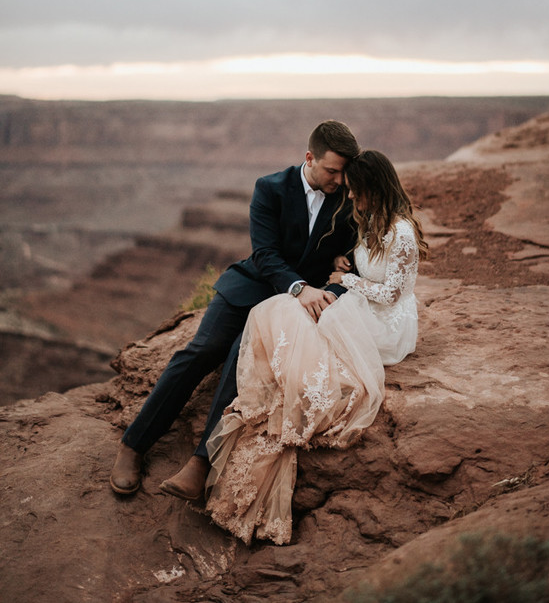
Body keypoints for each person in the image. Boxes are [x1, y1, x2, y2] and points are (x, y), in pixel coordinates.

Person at [160, 150, 428, 545]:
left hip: (386, 323)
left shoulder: (402, 232)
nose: (350, 196)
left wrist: (345, 280)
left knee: (299, 323)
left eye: (356, 190)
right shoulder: (370, 218)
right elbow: (365, 261)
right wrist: (345, 261)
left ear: (374, 188)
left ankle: (240, 425)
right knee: (285, 313)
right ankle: (233, 425)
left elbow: (391, 294)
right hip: (361, 304)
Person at [110, 120, 360, 497]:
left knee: (238, 360)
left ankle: (200, 463)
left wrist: (333, 282)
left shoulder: (346, 199)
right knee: (200, 351)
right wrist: (300, 288)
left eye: (344, 173)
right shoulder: (270, 187)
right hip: (252, 287)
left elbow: (357, 258)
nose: (339, 180)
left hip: (287, 307)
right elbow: (265, 254)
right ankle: (133, 445)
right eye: (332, 171)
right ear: (310, 158)